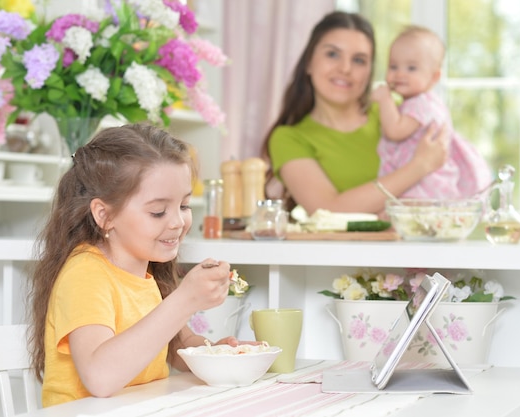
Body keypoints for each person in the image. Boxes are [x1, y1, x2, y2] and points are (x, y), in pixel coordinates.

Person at [28, 124, 246, 407]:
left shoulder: (148, 271)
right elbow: (100, 377)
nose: (178, 222)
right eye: (158, 212)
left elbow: (177, 347)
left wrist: (216, 355)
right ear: (104, 215)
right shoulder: (85, 274)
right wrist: (184, 300)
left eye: (184, 205)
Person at [261, 11, 449, 216]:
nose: (345, 68)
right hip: (340, 250)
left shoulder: (395, 115)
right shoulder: (289, 139)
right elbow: (329, 210)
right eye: (332, 54)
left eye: (359, 60)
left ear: (370, 71)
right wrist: (419, 167)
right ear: (308, 62)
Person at [372, 25, 492, 199]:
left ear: (434, 77)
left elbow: (395, 131)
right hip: (419, 184)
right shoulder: (417, 103)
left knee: (399, 217)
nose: (399, 74)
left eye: (411, 68)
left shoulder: (421, 103)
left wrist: (384, 100)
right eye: (393, 66)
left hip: (425, 187)